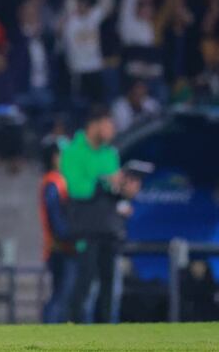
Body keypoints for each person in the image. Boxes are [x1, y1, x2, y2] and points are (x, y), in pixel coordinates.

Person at [61, 105, 123, 323]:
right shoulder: (72, 151)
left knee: (109, 284)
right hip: (85, 227)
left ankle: (105, 333)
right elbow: (75, 188)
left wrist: (124, 190)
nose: (112, 131)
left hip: (108, 227)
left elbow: (115, 192)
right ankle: (75, 328)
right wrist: (105, 181)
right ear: (94, 125)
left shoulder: (110, 153)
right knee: (84, 282)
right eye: (108, 125)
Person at [39, 139, 77, 323]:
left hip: (59, 246)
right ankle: (49, 328)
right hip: (61, 247)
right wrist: (69, 236)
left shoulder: (54, 181)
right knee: (62, 294)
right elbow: (56, 216)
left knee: (62, 293)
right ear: (55, 158)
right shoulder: (54, 183)